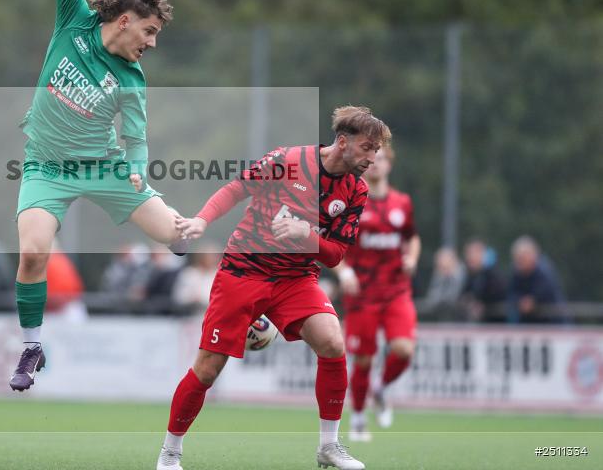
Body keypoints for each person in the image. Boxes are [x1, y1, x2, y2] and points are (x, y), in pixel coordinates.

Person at [10, 0, 187, 391]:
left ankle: (249, 308)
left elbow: (136, 135)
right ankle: (32, 347)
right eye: (150, 32)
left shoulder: (132, 78)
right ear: (126, 20)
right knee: (33, 253)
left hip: (104, 167)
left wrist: (134, 171)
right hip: (46, 165)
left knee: (179, 234)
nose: (152, 43)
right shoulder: (75, 21)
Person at [156, 106, 391, 470]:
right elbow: (237, 188)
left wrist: (306, 235)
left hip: (295, 279)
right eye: (367, 148)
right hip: (244, 272)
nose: (372, 158)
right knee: (207, 369)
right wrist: (202, 219)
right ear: (342, 142)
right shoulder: (290, 159)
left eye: (376, 151)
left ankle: (329, 447)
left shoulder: (356, 191)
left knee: (332, 341)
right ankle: (170, 453)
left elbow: (335, 255)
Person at [331, 144, 420, 443]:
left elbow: (412, 238)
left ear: (390, 165)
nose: (377, 165)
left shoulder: (402, 203)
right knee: (364, 359)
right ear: (365, 165)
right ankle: (357, 418)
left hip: (396, 290)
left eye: (382, 160)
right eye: (372, 161)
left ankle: (381, 389)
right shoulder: (353, 202)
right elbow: (334, 245)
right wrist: (344, 272)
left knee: (404, 350)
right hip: (362, 294)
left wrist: (412, 258)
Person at [507, 235, 567, 324]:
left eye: (523, 258)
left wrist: (532, 301)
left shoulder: (545, 271)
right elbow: (511, 293)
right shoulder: (516, 272)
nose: (520, 262)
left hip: (553, 321)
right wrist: (520, 301)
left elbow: (547, 291)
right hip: (529, 323)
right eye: (518, 259)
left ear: (533, 255)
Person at [459, 238, 505, 322]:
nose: (470, 257)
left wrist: (483, 305)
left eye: (473, 253)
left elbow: (498, 297)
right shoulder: (470, 275)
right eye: (468, 253)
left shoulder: (494, 274)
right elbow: (464, 295)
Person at [422, 247, 465, 321]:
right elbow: (432, 297)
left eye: (443, 266)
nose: (440, 268)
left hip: (460, 318)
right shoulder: (439, 274)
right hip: (441, 316)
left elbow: (452, 297)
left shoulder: (463, 275)